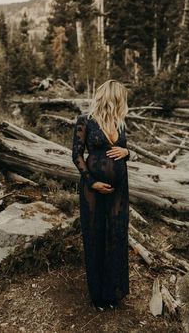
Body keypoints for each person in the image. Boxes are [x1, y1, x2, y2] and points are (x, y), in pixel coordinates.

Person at [72, 79, 130, 311]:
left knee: (116, 234)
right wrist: (91, 182)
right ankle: (98, 296)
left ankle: (113, 292)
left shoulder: (121, 123)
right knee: (95, 235)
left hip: (119, 191)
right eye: (121, 98)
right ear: (112, 97)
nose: (123, 102)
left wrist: (128, 152)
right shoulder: (85, 121)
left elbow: (123, 152)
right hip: (92, 190)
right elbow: (76, 155)